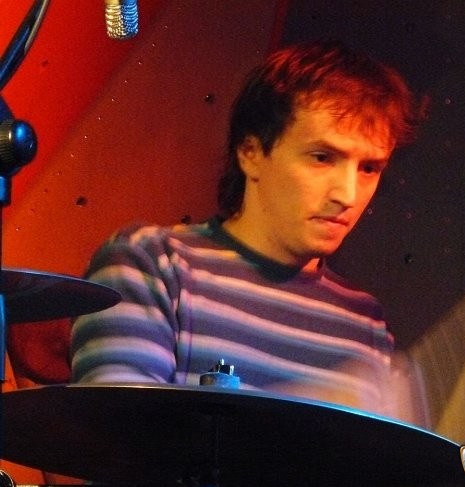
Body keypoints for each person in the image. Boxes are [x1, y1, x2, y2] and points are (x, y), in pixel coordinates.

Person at [70, 39, 419, 419]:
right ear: (250, 152)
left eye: (369, 168)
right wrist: (309, 410)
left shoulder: (365, 323)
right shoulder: (151, 262)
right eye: (322, 158)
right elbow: (117, 432)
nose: (347, 195)